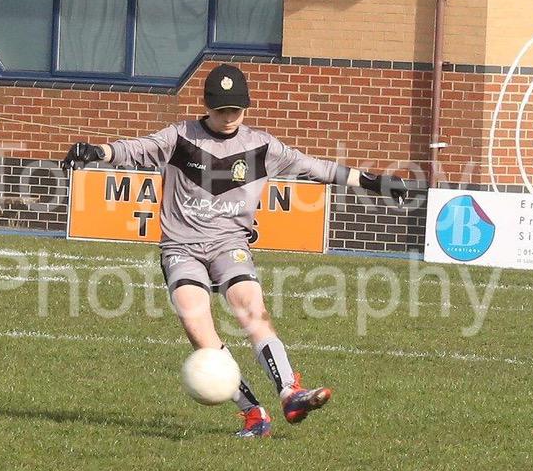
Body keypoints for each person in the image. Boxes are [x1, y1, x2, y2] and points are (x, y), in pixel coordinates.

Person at [62, 63, 408, 438]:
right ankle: (253, 413)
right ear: (207, 106)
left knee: (250, 307)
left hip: (230, 245)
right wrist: (96, 151)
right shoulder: (180, 137)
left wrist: (374, 182)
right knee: (197, 327)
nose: (228, 117)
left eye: (236, 110)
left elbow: (315, 167)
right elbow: (136, 149)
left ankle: (290, 392)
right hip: (181, 248)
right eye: (221, 110)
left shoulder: (262, 146)